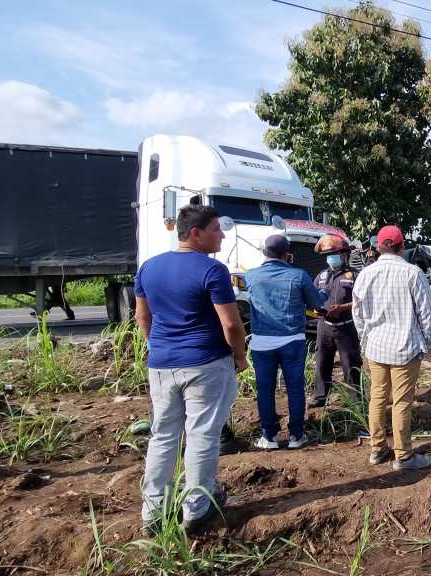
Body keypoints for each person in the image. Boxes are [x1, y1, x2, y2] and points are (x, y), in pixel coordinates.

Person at [134, 205, 247, 535]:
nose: (222, 235)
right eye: (216, 229)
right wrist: (240, 357)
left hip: (162, 365)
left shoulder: (149, 268)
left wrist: (157, 346)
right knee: (202, 434)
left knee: (163, 435)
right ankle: (198, 508)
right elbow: (231, 324)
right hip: (205, 364)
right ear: (195, 234)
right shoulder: (213, 270)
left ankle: (154, 510)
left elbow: (143, 317)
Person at [352, 225, 431, 470]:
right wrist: (429, 344)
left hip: (376, 347)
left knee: (377, 398)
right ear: (402, 246)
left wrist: (364, 339)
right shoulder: (413, 273)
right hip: (405, 348)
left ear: (378, 247)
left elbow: (357, 312)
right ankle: (404, 456)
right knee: (401, 402)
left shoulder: (365, 274)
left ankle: (377, 450)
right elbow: (426, 314)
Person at [245, 235, 326, 450]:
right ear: (287, 254)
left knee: (265, 389)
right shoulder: (298, 275)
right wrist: (324, 292)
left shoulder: (251, 275)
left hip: (262, 341)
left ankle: (269, 437)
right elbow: (317, 303)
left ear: (264, 252)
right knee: (295, 388)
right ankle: (296, 436)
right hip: (292, 339)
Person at [310, 234, 364, 413]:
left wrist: (342, 308)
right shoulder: (321, 275)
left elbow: (362, 301)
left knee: (351, 365)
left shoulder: (355, 275)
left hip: (346, 327)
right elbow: (312, 296)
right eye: (328, 255)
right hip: (324, 327)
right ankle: (320, 397)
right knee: (322, 363)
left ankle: (356, 402)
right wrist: (316, 308)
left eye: (334, 254)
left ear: (344, 255)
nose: (330, 258)